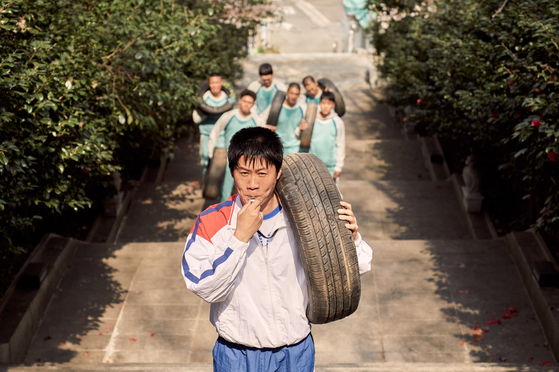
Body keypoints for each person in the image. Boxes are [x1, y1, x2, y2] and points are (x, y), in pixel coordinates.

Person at [181, 127, 372, 372]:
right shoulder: (212, 221)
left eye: (262, 173)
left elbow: (359, 267)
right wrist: (239, 238)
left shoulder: (306, 218)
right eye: (244, 173)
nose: (252, 184)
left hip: (295, 353)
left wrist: (352, 238)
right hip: (236, 355)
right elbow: (203, 286)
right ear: (232, 172)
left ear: (278, 172)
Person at [208, 89, 265, 202]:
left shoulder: (257, 120)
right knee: (225, 191)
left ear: (253, 104)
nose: (246, 104)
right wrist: (211, 153)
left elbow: (263, 141)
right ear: (239, 100)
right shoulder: (228, 115)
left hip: (248, 164)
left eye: (249, 102)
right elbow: (215, 131)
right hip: (229, 161)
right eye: (244, 101)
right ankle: (225, 217)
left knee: (247, 193)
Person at [296, 91, 345, 179]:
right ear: (320, 103)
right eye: (323, 103)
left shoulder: (337, 122)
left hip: (330, 167)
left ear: (333, 105)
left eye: (328, 103)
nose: (325, 106)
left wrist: (338, 167)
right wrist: (300, 129)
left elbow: (341, 145)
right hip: (312, 166)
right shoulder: (311, 119)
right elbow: (298, 137)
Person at [193, 73, 229, 174]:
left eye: (217, 82)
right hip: (206, 135)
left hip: (222, 136)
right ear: (209, 84)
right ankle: (206, 186)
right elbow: (195, 119)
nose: (215, 85)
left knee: (223, 165)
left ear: (221, 83)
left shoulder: (228, 99)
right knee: (205, 163)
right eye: (212, 83)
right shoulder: (203, 99)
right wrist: (207, 111)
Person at [275, 83, 307, 155]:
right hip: (278, 148)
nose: (293, 96)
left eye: (296, 94)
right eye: (291, 93)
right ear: (287, 93)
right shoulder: (276, 106)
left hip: (294, 148)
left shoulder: (303, 108)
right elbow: (263, 120)